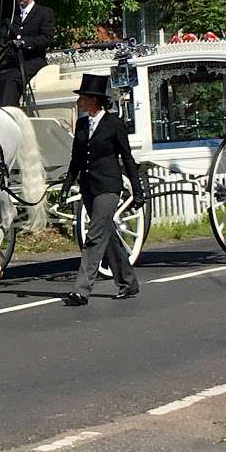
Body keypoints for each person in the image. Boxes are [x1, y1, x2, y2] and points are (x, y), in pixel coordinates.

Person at [58, 74, 145, 306]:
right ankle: (128, 282)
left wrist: (137, 191)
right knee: (108, 235)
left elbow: (127, 159)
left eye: (83, 97)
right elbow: (76, 160)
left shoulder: (114, 124)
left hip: (108, 187)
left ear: (94, 100)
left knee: (94, 235)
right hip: (88, 187)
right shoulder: (82, 124)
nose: (80, 102)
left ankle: (81, 289)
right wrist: (66, 188)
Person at [0, 0, 54, 107]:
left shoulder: (44, 13)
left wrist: (24, 42)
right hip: (12, 62)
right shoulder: (11, 16)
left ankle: (10, 112)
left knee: (11, 79)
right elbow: (2, 38)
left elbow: (46, 38)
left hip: (33, 61)